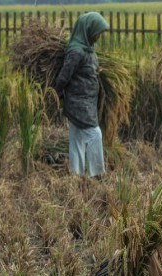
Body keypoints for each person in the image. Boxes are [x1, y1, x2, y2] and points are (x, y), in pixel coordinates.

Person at [54, 12, 109, 178]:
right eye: (97, 32)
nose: (98, 36)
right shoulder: (76, 52)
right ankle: (97, 174)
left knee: (76, 136)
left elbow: (85, 71)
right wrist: (55, 94)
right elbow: (64, 76)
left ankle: (76, 175)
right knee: (95, 134)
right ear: (88, 30)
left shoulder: (88, 49)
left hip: (87, 100)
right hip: (78, 102)